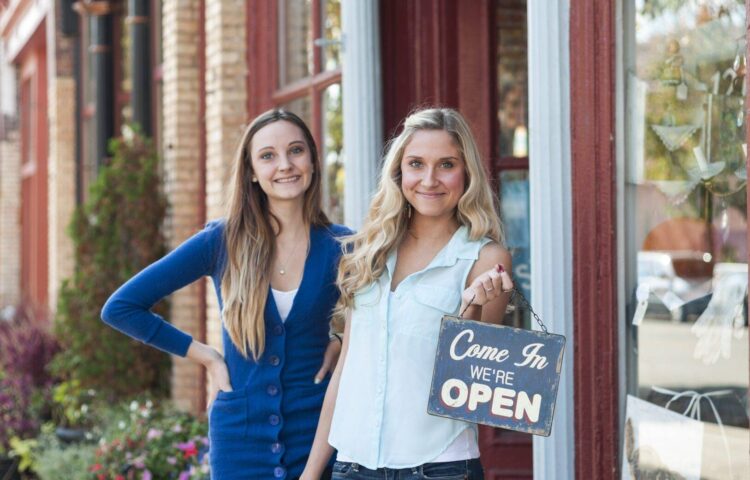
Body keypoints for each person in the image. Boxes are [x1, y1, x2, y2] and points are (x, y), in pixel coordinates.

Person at [101, 109, 349, 479]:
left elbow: (382, 315)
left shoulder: (342, 246)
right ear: (250, 171)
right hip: (239, 441)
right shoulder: (222, 241)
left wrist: (341, 337)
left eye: (296, 151)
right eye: (267, 156)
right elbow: (121, 307)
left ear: (313, 159)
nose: (285, 165)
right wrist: (207, 358)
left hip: (318, 439)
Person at [301, 107, 514, 480]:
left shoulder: (484, 259)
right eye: (416, 164)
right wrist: (311, 471)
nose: (429, 179)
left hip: (440, 467)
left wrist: (472, 307)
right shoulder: (370, 252)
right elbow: (346, 373)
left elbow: (471, 389)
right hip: (352, 465)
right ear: (399, 173)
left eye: (446, 164)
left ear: (466, 174)